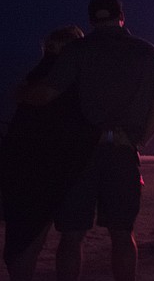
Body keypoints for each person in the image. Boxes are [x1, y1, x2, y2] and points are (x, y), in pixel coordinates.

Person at [21, 0, 154, 281]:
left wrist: (21, 94)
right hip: (122, 152)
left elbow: (48, 93)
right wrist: (140, 141)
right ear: (121, 16)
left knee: (72, 235)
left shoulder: (78, 51)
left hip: (80, 153)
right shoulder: (147, 52)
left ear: (91, 19)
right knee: (123, 234)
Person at [1, 26, 99, 281]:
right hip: (71, 168)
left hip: (30, 168)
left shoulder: (35, 79)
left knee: (24, 240)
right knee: (69, 238)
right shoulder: (80, 81)